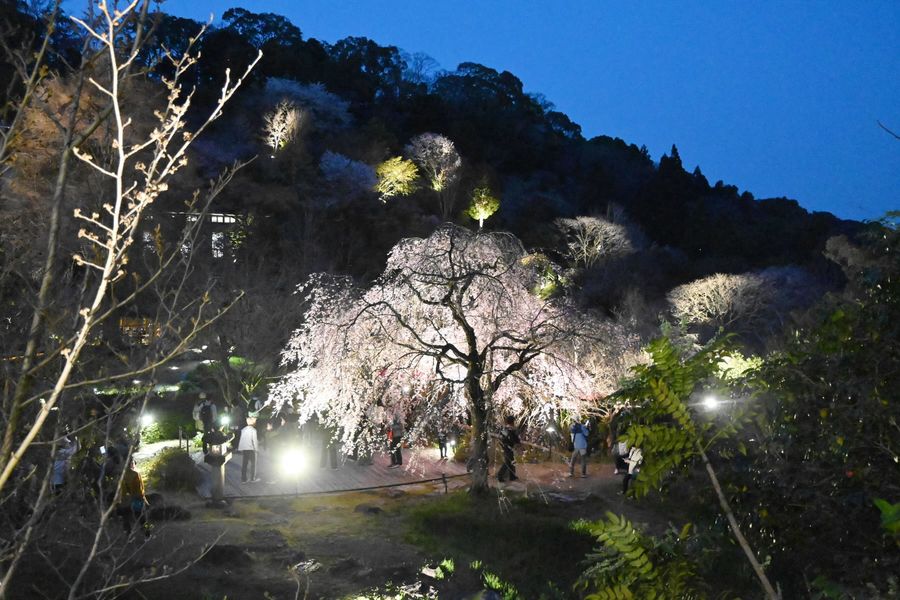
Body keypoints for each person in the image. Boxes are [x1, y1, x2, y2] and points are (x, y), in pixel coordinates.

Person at [120, 457, 150, 539]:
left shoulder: (122, 475)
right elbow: (140, 490)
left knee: (126, 518)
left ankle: (129, 536)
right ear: (131, 464)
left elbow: (121, 490)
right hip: (136, 499)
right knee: (142, 518)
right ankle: (147, 535)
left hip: (125, 501)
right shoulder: (135, 474)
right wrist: (143, 499)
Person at [496, 415, 520, 482]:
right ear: (512, 422)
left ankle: (512, 476)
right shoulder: (510, 430)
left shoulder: (504, 429)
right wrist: (518, 441)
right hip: (508, 447)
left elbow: (501, 438)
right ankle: (500, 475)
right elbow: (515, 439)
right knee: (508, 462)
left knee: (512, 461)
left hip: (506, 447)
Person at [237, 417, 260, 483]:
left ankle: (243, 479)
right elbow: (254, 441)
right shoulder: (253, 430)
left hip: (245, 449)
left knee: (244, 464)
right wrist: (256, 449)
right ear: (252, 423)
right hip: (251, 449)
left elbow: (242, 440)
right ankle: (252, 478)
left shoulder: (243, 430)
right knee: (253, 464)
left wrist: (240, 448)